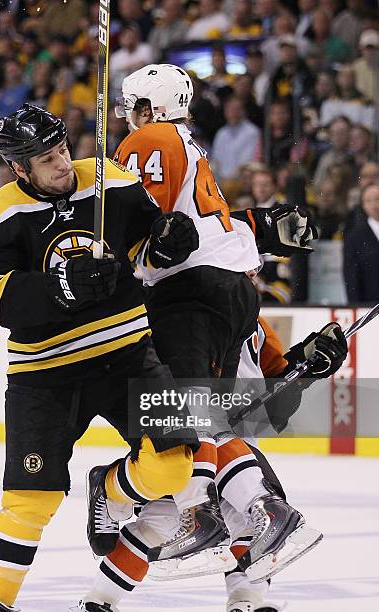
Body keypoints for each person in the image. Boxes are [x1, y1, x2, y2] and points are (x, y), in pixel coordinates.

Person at [73, 65, 320, 612]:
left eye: (134, 106)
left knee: (189, 440)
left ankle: (241, 517)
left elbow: (143, 222)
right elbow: (215, 228)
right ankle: (110, 596)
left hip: (187, 296)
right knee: (194, 438)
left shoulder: (152, 138)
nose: (128, 118)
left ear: (152, 107)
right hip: (230, 293)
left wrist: (98, 259)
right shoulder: (190, 145)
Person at [0, 103, 201, 612]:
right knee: (32, 501)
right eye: (45, 159)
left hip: (129, 354)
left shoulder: (109, 180)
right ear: (18, 168)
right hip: (44, 372)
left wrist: (167, 243)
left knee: (172, 468)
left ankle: (109, 487)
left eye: (61, 150)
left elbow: (145, 250)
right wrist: (61, 289)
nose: (60, 163)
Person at [75, 314, 346, 612]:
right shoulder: (175, 309)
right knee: (163, 520)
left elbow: (274, 408)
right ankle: (98, 600)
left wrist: (304, 370)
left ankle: (246, 603)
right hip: (188, 436)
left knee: (249, 520)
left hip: (235, 446)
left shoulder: (257, 327)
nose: (252, 270)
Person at [343, 183, 379, 303]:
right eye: (369, 201)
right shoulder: (354, 237)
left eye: (378, 199)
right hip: (369, 307)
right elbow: (351, 276)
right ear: (363, 205)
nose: (374, 205)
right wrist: (355, 307)